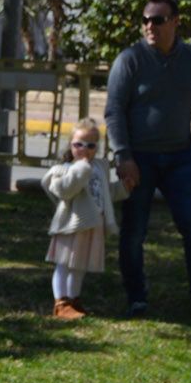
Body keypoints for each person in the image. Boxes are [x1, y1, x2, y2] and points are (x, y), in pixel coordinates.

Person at [105, 0, 191, 318]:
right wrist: (123, 155)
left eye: (157, 20)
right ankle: (137, 299)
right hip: (138, 159)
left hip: (180, 160)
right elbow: (114, 111)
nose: (149, 26)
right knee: (134, 232)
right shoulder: (129, 60)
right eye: (145, 20)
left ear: (175, 22)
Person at [41, 119, 128, 320]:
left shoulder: (99, 167)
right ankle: (61, 303)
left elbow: (105, 194)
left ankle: (74, 299)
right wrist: (80, 170)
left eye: (90, 145)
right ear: (70, 145)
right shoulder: (64, 169)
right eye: (78, 144)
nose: (84, 149)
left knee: (80, 266)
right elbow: (64, 191)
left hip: (92, 225)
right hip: (71, 225)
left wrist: (124, 188)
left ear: (96, 148)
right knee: (64, 264)